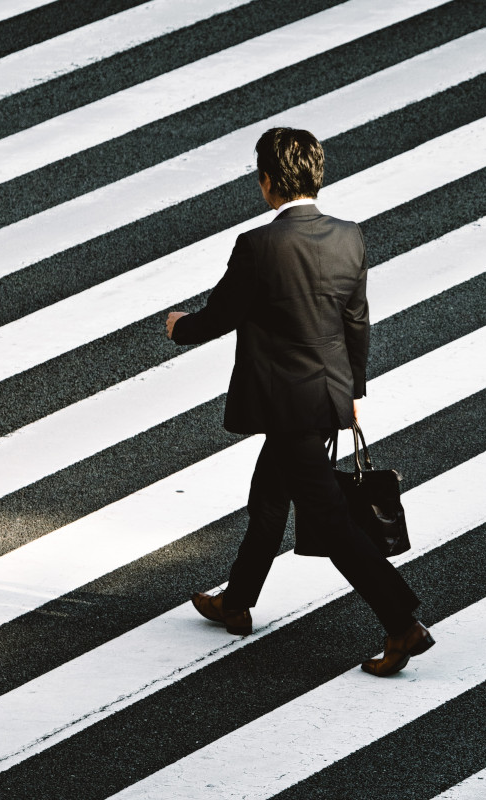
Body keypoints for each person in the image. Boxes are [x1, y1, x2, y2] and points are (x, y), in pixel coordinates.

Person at [166, 127, 433, 677]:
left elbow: (218, 318)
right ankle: (237, 600)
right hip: (325, 395)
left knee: (332, 522)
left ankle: (402, 623)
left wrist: (177, 327)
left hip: (283, 403)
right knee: (268, 497)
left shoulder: (259, 246)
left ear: (267, 182)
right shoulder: (349, 238)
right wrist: (352, 392)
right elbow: (356, 322)